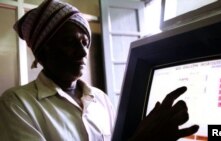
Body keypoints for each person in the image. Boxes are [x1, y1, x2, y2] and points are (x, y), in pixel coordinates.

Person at [0, 0, 199, 141]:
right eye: (70, 42)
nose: (82, 51)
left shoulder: (101, 99)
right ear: (42, 53)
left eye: (85, 42)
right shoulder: (17, 104)